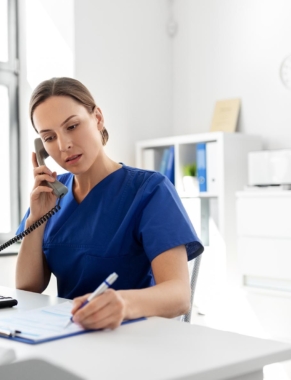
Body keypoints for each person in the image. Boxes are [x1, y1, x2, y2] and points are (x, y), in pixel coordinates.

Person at [15, 77, 203, 330]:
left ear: (98, 118)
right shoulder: (51, 198)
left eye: (72, 126)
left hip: (134, 340)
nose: (64, 145)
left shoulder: (149, 191)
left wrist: (122, 304)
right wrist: (36, 220)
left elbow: (180, 296)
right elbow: (28, 288)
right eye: (49, 138)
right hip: (66, 336)